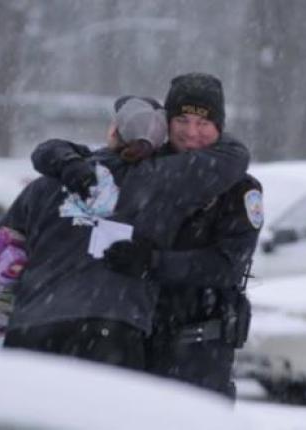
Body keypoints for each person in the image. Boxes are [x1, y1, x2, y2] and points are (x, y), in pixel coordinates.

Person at [0, 93, 250, 373]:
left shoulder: (49, 183)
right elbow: (235, 157)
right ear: (159, 143)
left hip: (30, 330)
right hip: (111, 332)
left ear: (112, 130)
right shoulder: (165, 184)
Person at [103, 73, 263, 399]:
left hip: (198, 349)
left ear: (220, 127)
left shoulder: (240, 188)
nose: (192, 133)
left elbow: (227, 265)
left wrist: (154, 263)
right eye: (182, 120)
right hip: (131, 341)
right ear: (166, 122)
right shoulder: (141, 168)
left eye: (204, 123)